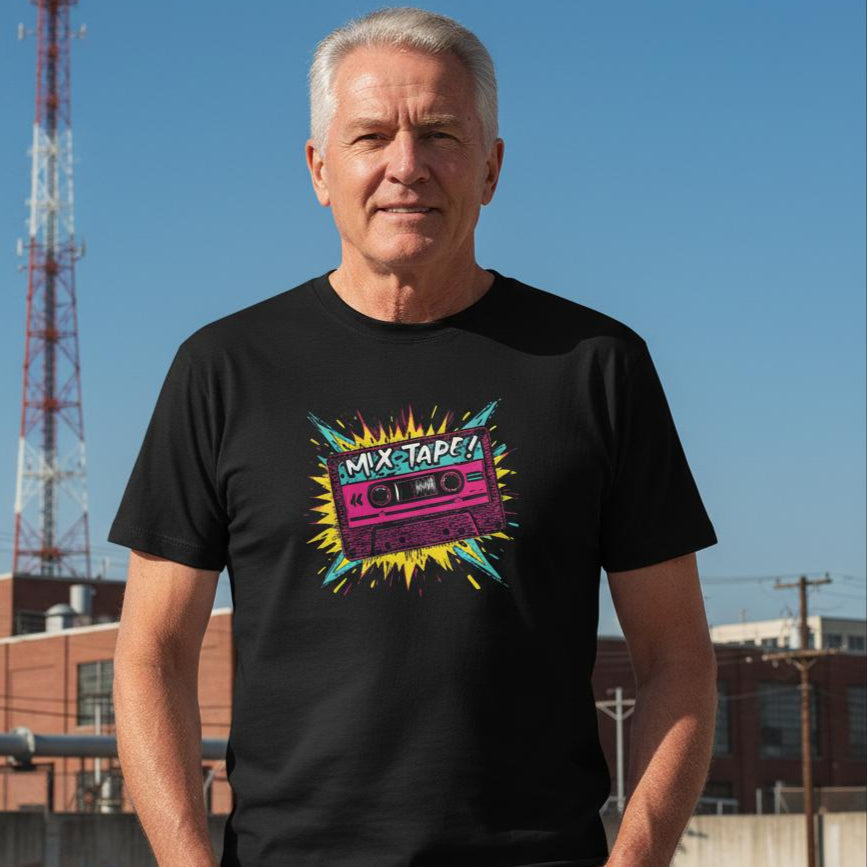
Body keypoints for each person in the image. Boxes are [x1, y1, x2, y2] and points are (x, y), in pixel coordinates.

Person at [109, 7, 719, 867]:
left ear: (491, 167)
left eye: (439, 133)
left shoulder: (597, 367)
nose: (406, 166)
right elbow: (150, 656)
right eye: (370, 137)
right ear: (320, 169)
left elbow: (676, 658)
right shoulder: (222, 370)